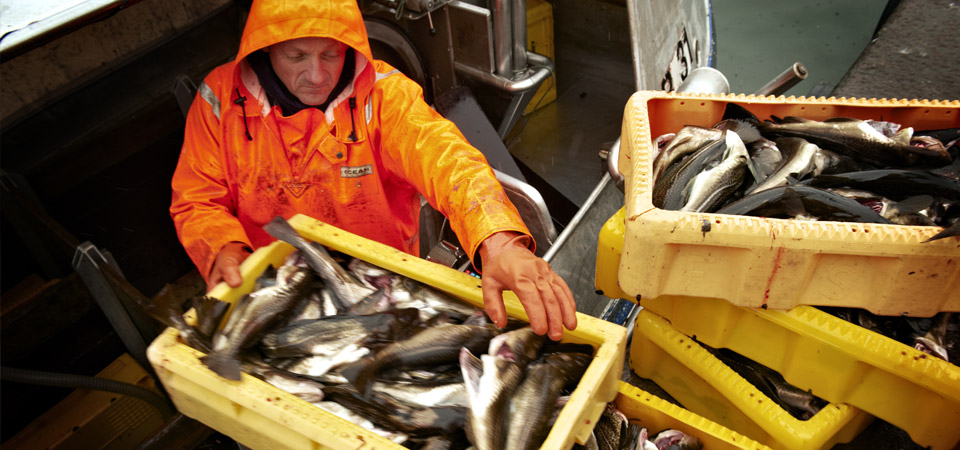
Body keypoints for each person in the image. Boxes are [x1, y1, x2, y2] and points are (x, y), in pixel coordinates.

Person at [169, 0, 577, 340]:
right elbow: (197, 198)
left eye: (330, 53)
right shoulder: (218, 99)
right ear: (265, 48)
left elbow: (451, 162)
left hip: (382, 291)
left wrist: (500, 243)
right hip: (275, 293)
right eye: (296, 56)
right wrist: (222, 248)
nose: (316, 75)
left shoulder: (386, 96)